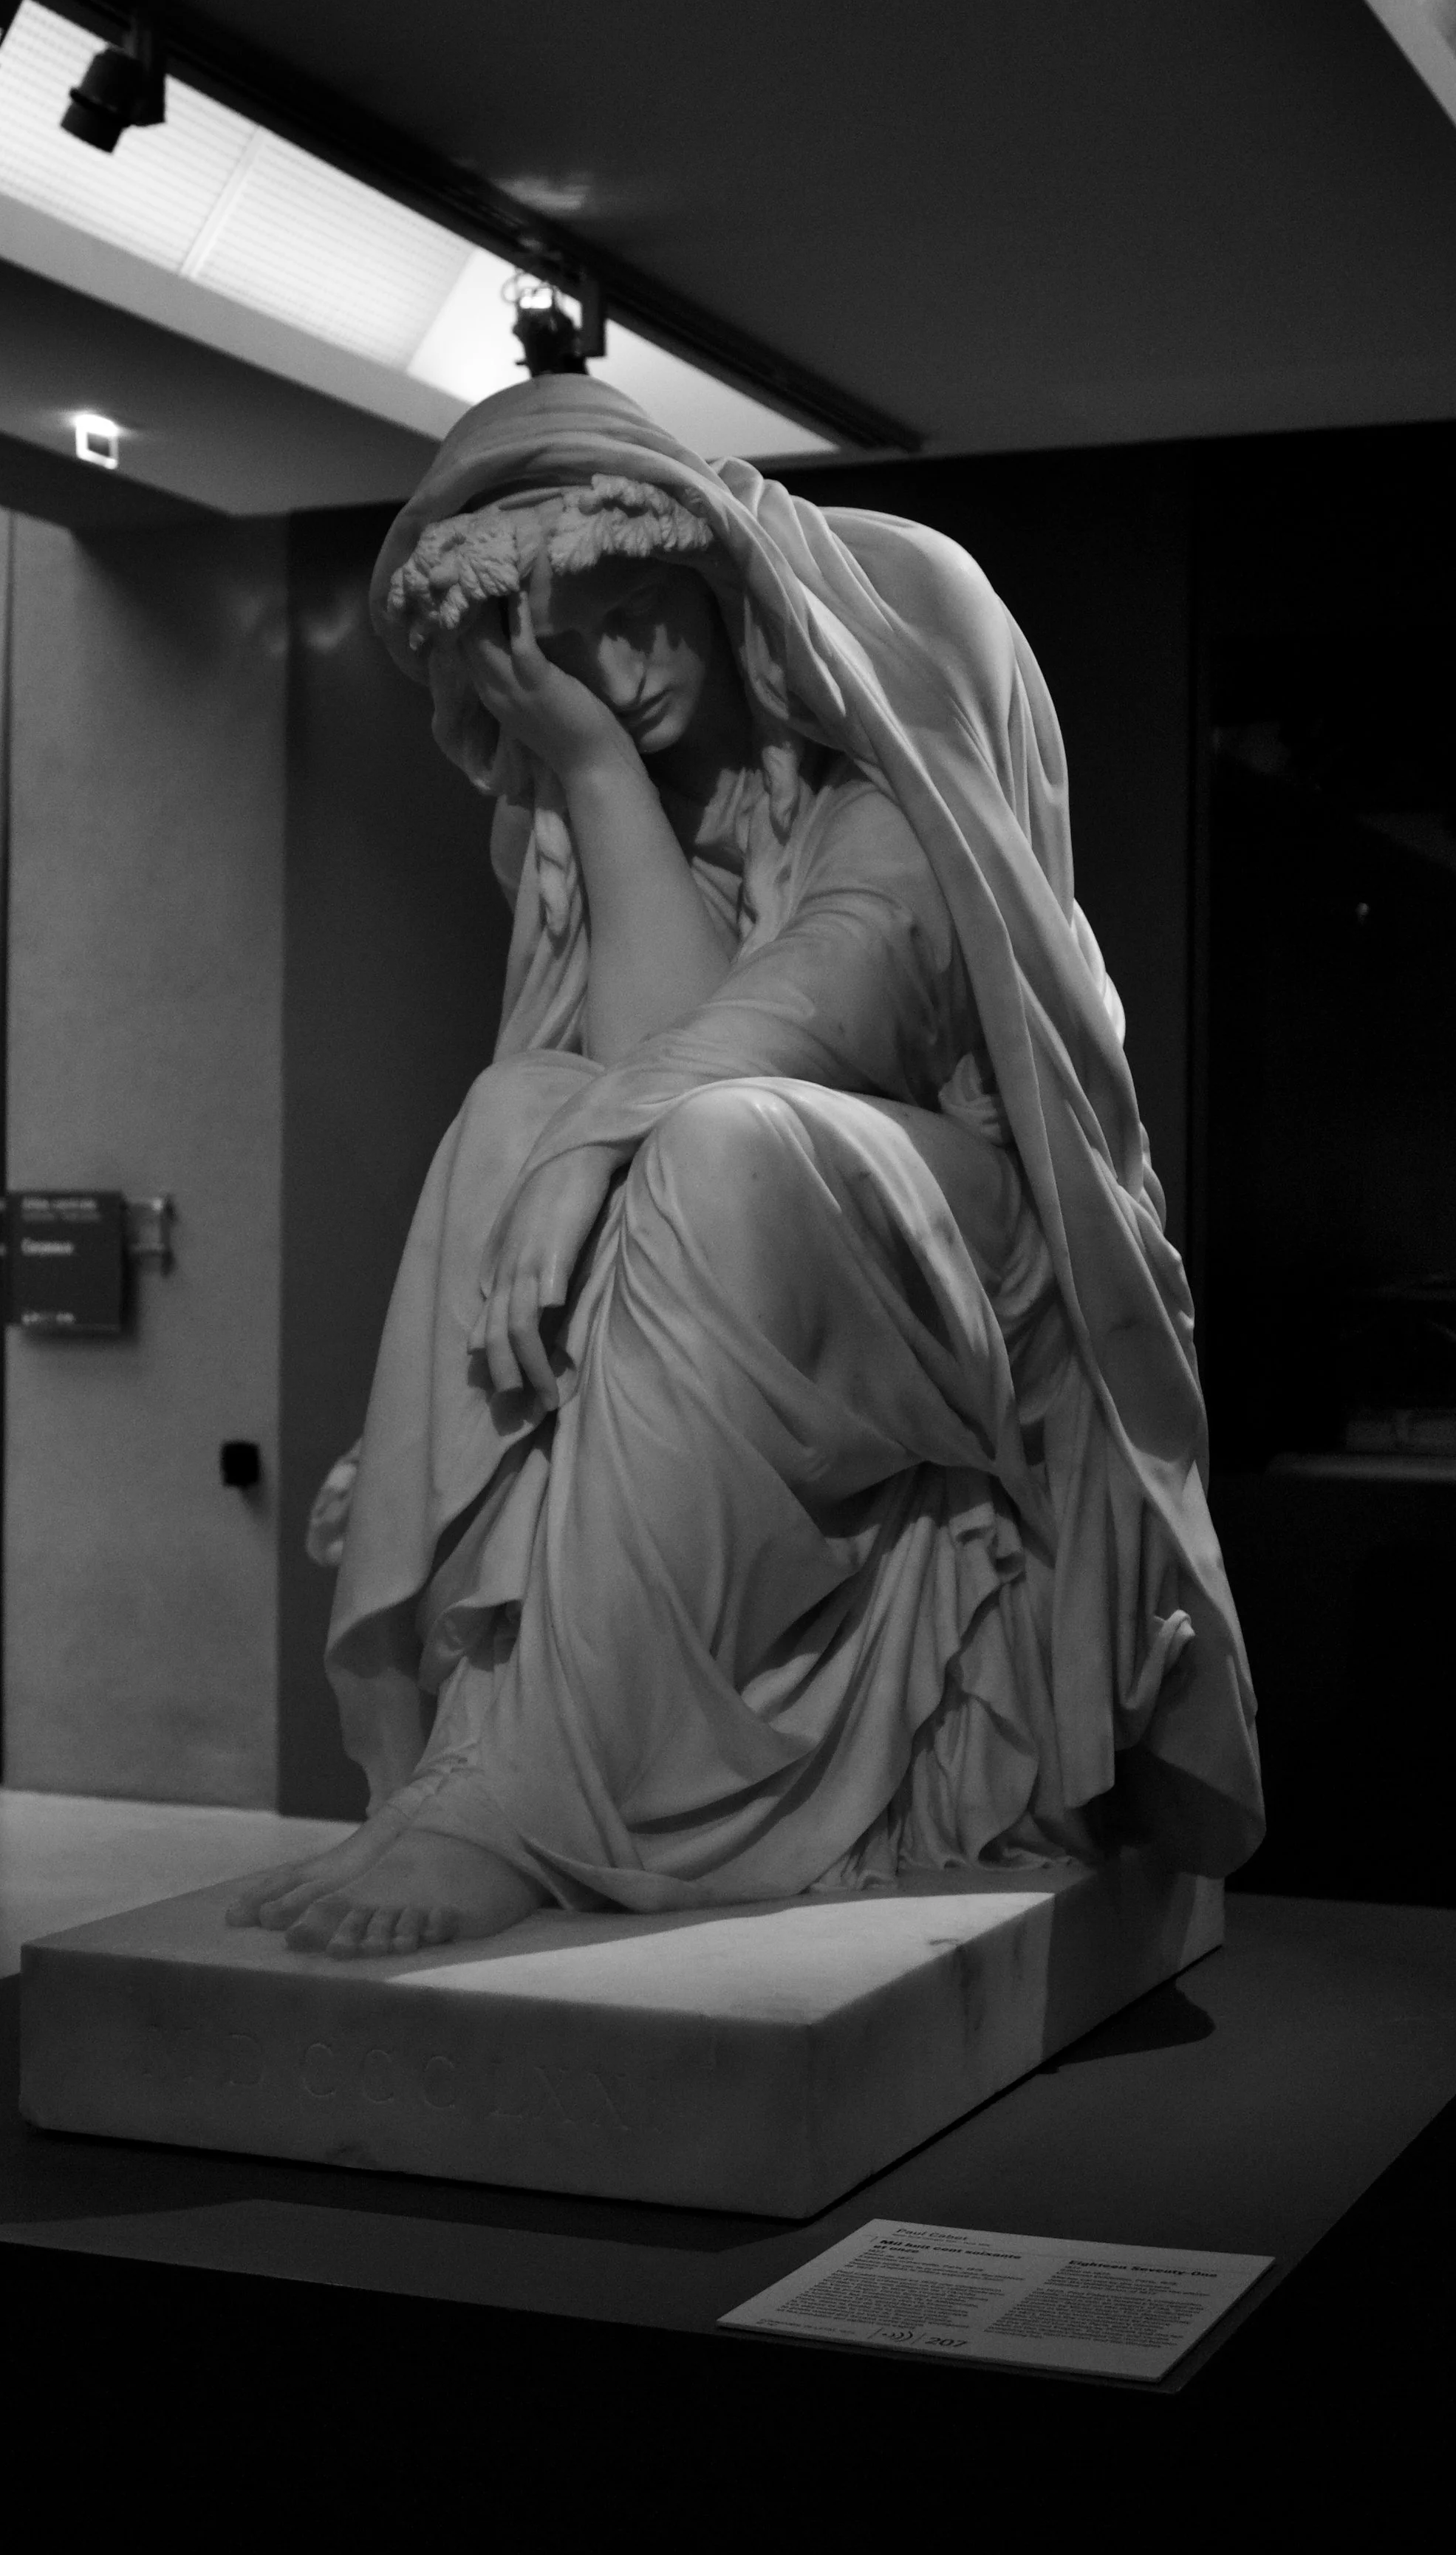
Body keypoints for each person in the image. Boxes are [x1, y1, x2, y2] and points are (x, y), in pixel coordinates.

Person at [228, 375, 1261, 1959]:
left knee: (706, 1137)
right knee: (516, 1108)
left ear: (714, 585)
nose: (618, 674)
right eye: (566, 660)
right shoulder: (620, 800)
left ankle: (544, 1797)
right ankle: (472, 1771)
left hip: (972, 1242)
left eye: (640, 619)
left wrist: (602, 1144)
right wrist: (586, 773)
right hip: (764, 1190)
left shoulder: (881, 717)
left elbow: (833, 1001)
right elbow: (627, 1053)